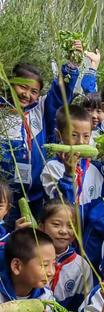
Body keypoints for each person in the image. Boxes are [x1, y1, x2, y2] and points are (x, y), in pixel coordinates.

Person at [0, 49, 84, 225]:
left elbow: (59, 94)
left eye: (34, 91)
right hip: (4, 199)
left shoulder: (40, 109)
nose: (27, 94)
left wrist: (71, 65)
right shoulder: (2, 114)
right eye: (22, 86)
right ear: (9, 82)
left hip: (35, 197)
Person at [41, 105, 103, 226]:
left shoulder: (95, 170)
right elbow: (61, 204)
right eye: (74, 135)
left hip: (87, 238)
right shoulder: (51, 168)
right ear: (59, 135)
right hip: (63, 234)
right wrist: (68, 174)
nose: (80, 142)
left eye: (86, 136)